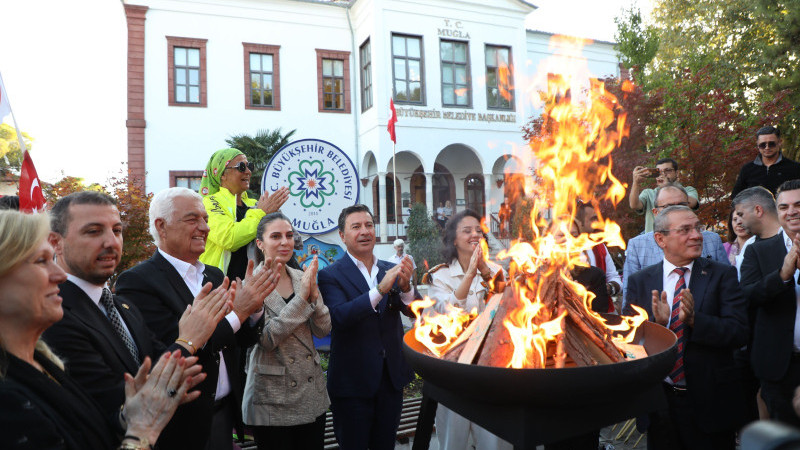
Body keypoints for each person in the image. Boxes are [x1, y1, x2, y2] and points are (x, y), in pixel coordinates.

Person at [41, 191, 232, 448]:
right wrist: (189, 339)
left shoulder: (121, 305)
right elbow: (120, 406)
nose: (111, 242)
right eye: (93, 231)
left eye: (117, 230)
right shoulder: (54, 315)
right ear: (56, 242)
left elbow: (160, 367)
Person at [0, 210, 201, 450]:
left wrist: (129, 415)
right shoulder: (8, 397)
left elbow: (86, 430)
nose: (58, 275)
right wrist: (141, 432)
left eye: (117, 230)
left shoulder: (43, 361)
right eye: (41, 261)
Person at [115, 187, 279, 449]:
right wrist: (240, 312)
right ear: (162, 226)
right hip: (181, 423)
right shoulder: (138, 282)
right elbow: (173, 351)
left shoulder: (213, 275)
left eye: (205, 219)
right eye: (193, 219)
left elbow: (240, 340)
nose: (205, 227)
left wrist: (255, 307)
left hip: (224, 414)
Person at [625, 205, 749, 450]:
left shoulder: (721, 275)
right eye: (685, 230)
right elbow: (628, 345)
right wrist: (657, 327)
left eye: (697, 228)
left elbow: (739, 332)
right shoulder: (641, 281)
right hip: (659, 404)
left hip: (710, 403)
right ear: (661, 239)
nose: (696, 235)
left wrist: (694, 320)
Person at [317, 204, 419, 449]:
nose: (364, 231)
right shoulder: (330, 275)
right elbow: (340, 317)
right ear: (342, 236)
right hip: (353, 384)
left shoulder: (388, 268)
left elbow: (418, 313)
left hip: (390, 379)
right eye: (356, 227)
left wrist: (406, 289)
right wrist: (380, 289)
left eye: (369, 225)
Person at [242, 213, 332, 450]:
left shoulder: (302, 276)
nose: (285, 242)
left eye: (289, 236)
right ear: (260, 244)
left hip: (311, 393)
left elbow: (322, 330)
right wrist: (302, 300)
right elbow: (266, 338)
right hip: (272, 396)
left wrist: (316, 301)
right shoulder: (250, 284)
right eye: (276, 236)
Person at [423, 209, 511, 450]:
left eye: (478, 230)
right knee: (454, 441)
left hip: (491, 369)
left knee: (495, 440)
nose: (475, 234)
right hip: (455, 371)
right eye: (467, 230)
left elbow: (509, 307)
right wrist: (470, 273)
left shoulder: (494, 271)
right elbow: (444, 310)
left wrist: (483, 271)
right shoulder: (439, 275)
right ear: (453, 239)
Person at [740, 179, 800, 428]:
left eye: (798, 205)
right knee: (784, 437)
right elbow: (747, 297)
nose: (791, 211)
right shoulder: (758, 251)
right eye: (784, 207)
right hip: (777, 365)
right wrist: (782, 276)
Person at [622, 184, 728, 307]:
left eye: (682, 205)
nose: (677, 211)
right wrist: (657, 322)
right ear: (656, 212)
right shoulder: (638, 245)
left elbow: (727, 297)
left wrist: (696, 319)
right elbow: (630, 303)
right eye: (669, 207)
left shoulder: (711, 240)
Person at [199, 147, 289, 280]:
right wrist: (261, 213)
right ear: (222, 174)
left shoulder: (254, 204)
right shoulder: (209, 202)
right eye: (241, 167)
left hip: (255, 287)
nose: (248, 172)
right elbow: (228, 238)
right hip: (219, 288)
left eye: (249, 166)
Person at [629, 158, 700, 233]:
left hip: (681, 237)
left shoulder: (688, 190)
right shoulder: (648, 193)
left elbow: (691, 203)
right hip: (655, 240)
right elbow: (634, 205)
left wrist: (668, 187)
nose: (663, 174)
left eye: (668, 170)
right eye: (658, 171)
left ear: (677, 173)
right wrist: (636, 183)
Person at [731, 126, 800, 198]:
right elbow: (736, 198)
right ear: (757, 145)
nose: (767, 147)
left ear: (780, 142)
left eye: (771, 144)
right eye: (762, 145)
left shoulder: (795, 168)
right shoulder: (747, 169)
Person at [575, 201, 622, 305]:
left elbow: (615, 278)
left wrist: (609, 287)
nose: (597, 222)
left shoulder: (600, 247)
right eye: (593, 219)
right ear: (579, 222)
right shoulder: (561, 249)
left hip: (600, 312)